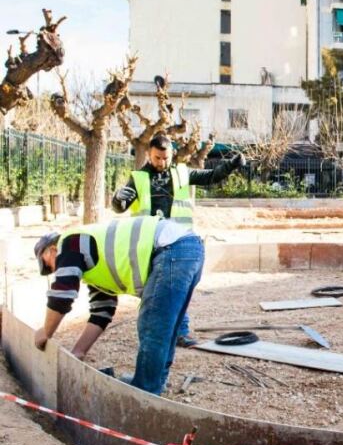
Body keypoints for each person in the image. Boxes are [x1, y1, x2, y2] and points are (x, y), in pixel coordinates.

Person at [33, 215, 204, 395]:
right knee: (165, 327)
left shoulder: (69, 244)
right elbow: (102, 311)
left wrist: (46, 332)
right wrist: (78, 352)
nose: (53, 271)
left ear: (52, 249)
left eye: (47, 264)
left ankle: (145, 392)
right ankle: (152, 383)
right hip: (185, 249)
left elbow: (62, 296)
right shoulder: (92, 267)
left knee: (153, 326)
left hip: (172, 249)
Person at [111, 133, 245, 348]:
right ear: (149, 154)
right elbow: (121, 207)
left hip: (177, 242)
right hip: (147, 244)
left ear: (172, 154)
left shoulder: (182, 173)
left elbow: (211, 176)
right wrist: (117, 199)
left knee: (178, 289)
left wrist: (231, 165)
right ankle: (152, 335)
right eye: (157, 158)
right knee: (150, 292)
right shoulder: (138, 178)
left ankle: (180, 333)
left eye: (166, 158)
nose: (162, 162)